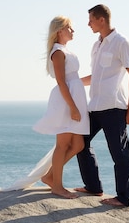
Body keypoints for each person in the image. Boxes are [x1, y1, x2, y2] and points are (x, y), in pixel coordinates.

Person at [75, 4, 129, 207]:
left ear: (101, 19)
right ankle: (93, 187)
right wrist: (72, 82)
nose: (88, 24)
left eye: (91, 20)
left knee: (119, 153)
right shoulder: (97, 45)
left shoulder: (121, 42)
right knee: (80, 142)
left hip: (114, 107)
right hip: (95, 106)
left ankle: (125, 198)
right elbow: (96, 76)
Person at [31, 15, 89, 199]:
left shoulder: (65, 50)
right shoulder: (57, 52)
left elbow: (74, 80)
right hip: (67, 101)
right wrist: (72, 107)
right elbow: (62, 82)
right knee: (63, 145)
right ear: (60, 31)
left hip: (75, 98)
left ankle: (49, 176)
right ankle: (57, 185)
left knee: (78, 145)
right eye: (70, 28)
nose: (73, 31)